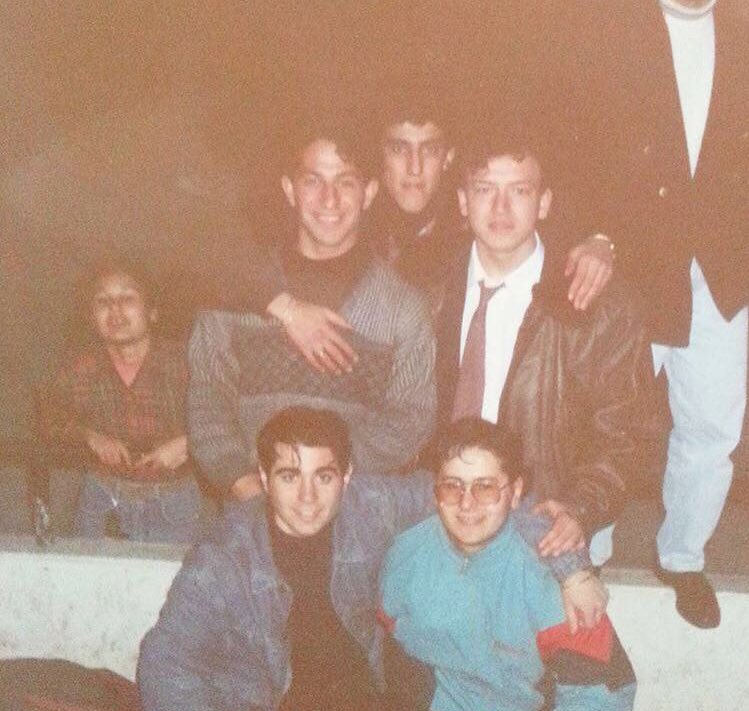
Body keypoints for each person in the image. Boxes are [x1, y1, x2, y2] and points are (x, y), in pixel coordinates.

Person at [138, 406, 606, 711]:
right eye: (288, 476)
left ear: (346, 477)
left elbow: (473, 499)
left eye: (323, 476)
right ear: (263, 478)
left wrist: (571, 567)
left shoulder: (371, 505)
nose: (307, 497)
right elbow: (164, 664)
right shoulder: (223, 557)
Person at [198, 86, 616, 375]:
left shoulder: (481, 219)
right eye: (399, 149)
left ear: (448, 157)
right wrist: (289, 310)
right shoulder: (342, 211)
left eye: (429, 150)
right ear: (378, 158)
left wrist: (600, 242)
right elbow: (216, 254)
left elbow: (562, 222)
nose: (414, 169)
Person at [556, 0, 748, 628]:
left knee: (713, 426)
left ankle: (683, 556)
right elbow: (574, 151)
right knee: (609, 420)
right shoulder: (607, 30)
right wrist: (597, 234)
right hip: (633, 269)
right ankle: (590, 550)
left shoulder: (744, 35)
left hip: (723, 271)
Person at [432, 120, 665, 569]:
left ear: (544, 202)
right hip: (443, 517)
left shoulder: (600, 307)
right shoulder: (430, 290)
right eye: (484, 189)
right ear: (462, 201)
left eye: (519, 191)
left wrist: (580, 508)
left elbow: (629, 431)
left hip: (544, 523)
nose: (500, 207)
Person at [187, 116, 436, 500]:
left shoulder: (403, 308)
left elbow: (410, 418)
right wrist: (242, 480)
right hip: (248, 506)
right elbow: (207, 399)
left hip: (354, 513)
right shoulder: (237, 296)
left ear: (369, 193)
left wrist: (324, 482)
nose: (329, 199)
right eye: (313, 181)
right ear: (289, 190)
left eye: (345, 182)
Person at [380, 418, 636, 711]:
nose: (466, 503)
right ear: (436, 492)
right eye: (452, 486)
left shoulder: (550, 577)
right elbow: (383, 645)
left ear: (515, 493)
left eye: (485, 487)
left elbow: (604, 694)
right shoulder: (406, 554)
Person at [43, 258, 201, 543]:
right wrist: (90, 437)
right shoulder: (81, 367)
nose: (115, 310)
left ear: (152, 312)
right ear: (91, 317)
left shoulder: (187, 361)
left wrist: (189, 443)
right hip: (102, 500)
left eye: (127, 298)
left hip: (175, 501)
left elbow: (230, 417)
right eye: (103, 302)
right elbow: (48, 420)